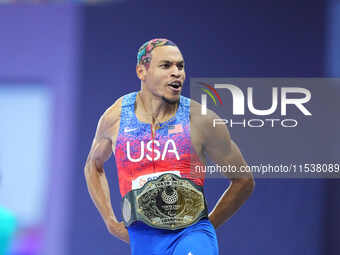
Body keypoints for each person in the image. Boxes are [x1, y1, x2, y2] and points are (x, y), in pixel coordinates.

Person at [84, 38, 255, 255]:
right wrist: (109, 220)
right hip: (144, 241)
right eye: (166, 65)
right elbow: (93, 166)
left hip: (192, 235)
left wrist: (205, 226)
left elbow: (243, 180)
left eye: (180, 66)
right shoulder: (115, 118)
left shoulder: (201, 120)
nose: (177, 73)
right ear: (141, 71)